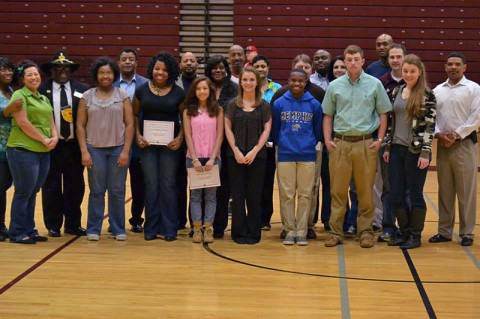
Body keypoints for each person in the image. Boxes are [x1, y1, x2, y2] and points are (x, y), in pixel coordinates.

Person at [323, 45, 391, 248]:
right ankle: (336, 231)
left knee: (365, 192)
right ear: (345, 62)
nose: (352, 63)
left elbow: (383, 113)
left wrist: (379, 140)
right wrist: (328, 140)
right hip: (340, 144)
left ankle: (366, 231)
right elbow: (328, 114)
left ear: (362, 61)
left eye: (356, 59)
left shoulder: (374, 84)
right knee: (338, 191)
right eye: (349, 59)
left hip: (365, 144)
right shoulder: (335, 86)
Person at [77, 57, 134, 241]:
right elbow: (80, 125)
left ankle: (118, 228)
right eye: (101, 72)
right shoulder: (87, 96)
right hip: (94, 149)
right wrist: (84, 151)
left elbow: (130, 124)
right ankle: (93, 228)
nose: (105, 76)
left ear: (114, 75)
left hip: (118, 148)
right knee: (96, 191)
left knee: (117, 191)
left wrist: (126, 150)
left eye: (108, 72)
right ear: (96, 75)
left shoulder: (122, 96)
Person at [383, 54, 436, 249]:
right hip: (396, 150)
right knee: (395, 194)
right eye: (405, 71)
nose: (408, 74)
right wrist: (388, 146)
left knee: (415, 194)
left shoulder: (427, 94)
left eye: (412, 71)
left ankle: (415, 235)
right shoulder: (396, 91)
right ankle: (404, 232)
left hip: (415, 151)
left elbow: (430, 126)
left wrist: (425, 152)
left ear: (419, 72)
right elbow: (391, 122)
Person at [270, 54, 325, 240]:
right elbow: (275, 129)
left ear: (306, 81)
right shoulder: (279, 103)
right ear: (288, 81)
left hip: (307, 155)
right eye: (293, 80)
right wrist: (283, 143)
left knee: (305, 195)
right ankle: (289, 229)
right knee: (287, 195)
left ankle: (301, 231)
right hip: (285, 154)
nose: (296, 84)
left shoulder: (314, 104)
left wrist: (308, 144)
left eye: (300, 81)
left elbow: (318, 131)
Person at [429, 52, 480, 247]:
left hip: (464, 145)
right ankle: (444, 231)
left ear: (464, 67)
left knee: (466, 191)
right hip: (443, 145)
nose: (453, 67)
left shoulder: (473, 89)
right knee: (445, 191)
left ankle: (467, 232)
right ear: (445, 67)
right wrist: (439, 134)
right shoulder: (437, 91)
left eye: (457, 64)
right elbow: (430, 117)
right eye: (450, 64)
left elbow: (476, 117)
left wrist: (456, 135)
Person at [133, 52, 185, 242]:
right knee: (151, 185)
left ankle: (170, 228)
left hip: (170, 146)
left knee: (168, 184)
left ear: (170, 72)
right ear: (151, 69)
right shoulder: (141, 90)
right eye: (157, 69)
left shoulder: (179, 93)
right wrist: (137, 136)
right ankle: (151, 228)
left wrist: (180, 138)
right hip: (147, 146)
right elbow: (133, 115)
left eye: (164, 70)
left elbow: (185, 119)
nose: (160, 73)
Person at [39, 50, 89, 238]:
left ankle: (73, 224)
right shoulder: (42, 90)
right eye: (58, 67)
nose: (62, 70)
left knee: (75, 186)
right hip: (52, 146)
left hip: (74, 146)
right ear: (51, 70)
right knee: (51, 186)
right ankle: (53, 224)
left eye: (66, 67)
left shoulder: (83, 90)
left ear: (71, 70)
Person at [7, 60, 59, 244]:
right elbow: (23, 123)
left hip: (43, 151)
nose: (34, 77)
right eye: (29, 75)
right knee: (23, 192)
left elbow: (51, 120)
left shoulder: (43, 97)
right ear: (22, 79)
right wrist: (43, 139)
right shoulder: (20, 96)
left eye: (36, 74)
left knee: (33, 191)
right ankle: (17, 232)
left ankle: (30, 229)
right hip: (22, 149)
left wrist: (54, 137)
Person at [225, 67, 271, 244]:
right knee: (238, 195)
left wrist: (254, 151)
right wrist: (236, 150)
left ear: (257, 83)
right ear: (241, 82)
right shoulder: (232, 104)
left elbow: (266, 130)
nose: (248, 83)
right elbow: (227, 128)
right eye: (245, 80)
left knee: (254, 195)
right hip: (234, 156)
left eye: (252, 80)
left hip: (257, 157)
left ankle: (253, 232)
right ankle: (238, 232)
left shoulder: (264, 106)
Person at [182, 77, 224, 243]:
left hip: (213, 159)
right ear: (194, 91)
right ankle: (197, 229)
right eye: (199, 89)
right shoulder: (188, 111)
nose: (202, 92)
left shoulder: (218, 110)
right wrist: (194, 159)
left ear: (210, 91)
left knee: (211, 196)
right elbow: (187, 135)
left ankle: (208, 229)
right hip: (193, 159)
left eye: (205, 88)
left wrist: (212, 158)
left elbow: (220, 135)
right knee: (195, 196)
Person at [114, 48, 148, 233]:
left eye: (131, 59)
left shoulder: (146, 84)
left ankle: (136, 219)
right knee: (116, 185)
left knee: (139, 184)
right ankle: (115, 221)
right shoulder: (110, 83)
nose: (127, 62)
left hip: (139, 140)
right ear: (118, 62)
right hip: (114, 139)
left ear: (136, 62)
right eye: (124, 59)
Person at [204, 55, 238, 238]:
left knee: (224, 187)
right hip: (205, 143)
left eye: (221, 68)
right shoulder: (201, 88)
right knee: (202, 185)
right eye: (214, 68)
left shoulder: (235, 90)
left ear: (227, 70)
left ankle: (219, 226)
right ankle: (201, 223)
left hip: (227, 145)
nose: (218, 71)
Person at [377, 44, 407, 243]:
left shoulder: (413, 81)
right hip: (388, 142)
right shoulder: (381, 83)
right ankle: (388, 227)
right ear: (388, 60)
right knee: (388, 186)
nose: (395, 60)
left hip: (408, 143)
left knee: (407, 188)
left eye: (399, 56)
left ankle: (408, 227)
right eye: (392, 57)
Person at [252, 55, 281, 230]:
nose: (261, 69)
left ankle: (265, 219)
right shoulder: (248, 87)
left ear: (268, 68)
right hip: (250, 145)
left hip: (270, 145)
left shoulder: (277, 89)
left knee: (267, 183)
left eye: (263, 66)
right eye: (257, 66)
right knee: (252, 182)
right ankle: (253, 216)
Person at [175, 52, 199, 231]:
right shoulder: (174, 84)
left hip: (199, 141)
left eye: (192, 60)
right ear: (180, 64)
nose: (189, 63)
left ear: (197, 64)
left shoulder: (203, 85)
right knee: (179, 182)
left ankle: (195, 222)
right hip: (177, 138)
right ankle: (179, 220)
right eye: (185, 61)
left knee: (197, 184)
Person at [0, 58, 22, 242]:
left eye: (10, 70)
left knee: (4, 186)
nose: (8, 73)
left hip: (11, 147)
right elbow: (6, 113)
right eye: (3, 70)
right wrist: (9, 109)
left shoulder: (12, 91)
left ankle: (2, 225)